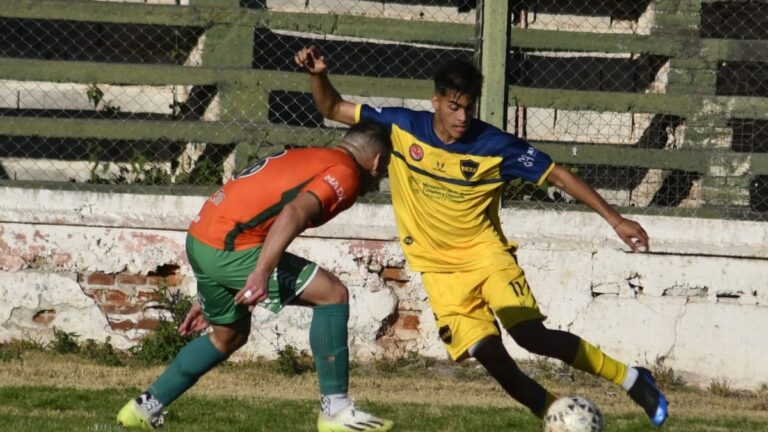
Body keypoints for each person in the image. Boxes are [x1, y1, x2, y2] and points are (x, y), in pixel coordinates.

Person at [295, 45, 669, 427]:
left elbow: (557, 175)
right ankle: (558, 417)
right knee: (493, 359)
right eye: (454, 107)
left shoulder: (495, 146)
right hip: (440, 273)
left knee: (531, 336)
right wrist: (317, 75)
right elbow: (332, 108)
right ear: (436, 101)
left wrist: (615, 220)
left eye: (468, 108)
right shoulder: (402, 126)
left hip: (487, 258)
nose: (461, 117)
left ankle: (633, 379)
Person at [116, 121, 395, 432]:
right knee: (332, 295)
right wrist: (259, 272)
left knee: (228, 337)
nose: (382, 176)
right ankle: (336, 411)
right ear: (378, 161)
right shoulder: (345, 172)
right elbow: (294, 212)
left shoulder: (313, 156)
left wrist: (218, 279)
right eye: (385, 168)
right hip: (231, 247)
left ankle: (141, 409)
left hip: (202, 239)